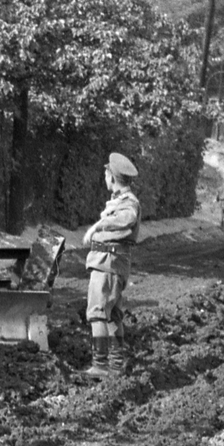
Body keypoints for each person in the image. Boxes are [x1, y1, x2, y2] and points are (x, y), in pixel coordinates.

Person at [82, 152, 142, 379]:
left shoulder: (128, 203)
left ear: (112, 177)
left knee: (97, 313)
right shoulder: (120, 201)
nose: (105, 178)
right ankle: (116, 365)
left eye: (106, 174)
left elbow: (127, 218)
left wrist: (98, 226)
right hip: (110, 263)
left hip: (108, 264)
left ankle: (100, 365)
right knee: (113, 315)